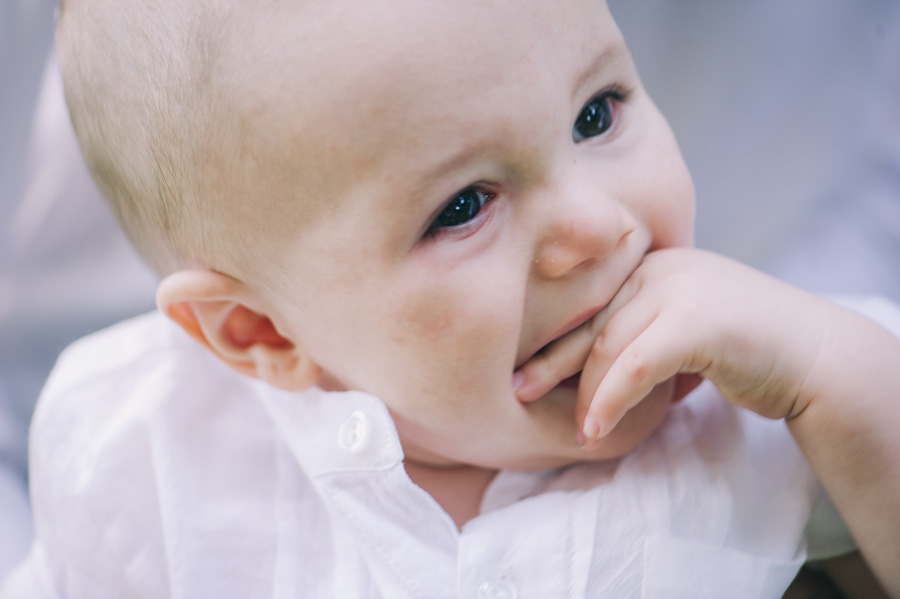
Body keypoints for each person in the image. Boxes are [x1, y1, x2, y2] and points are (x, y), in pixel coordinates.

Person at [3, 0, 900, 597]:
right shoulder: (152, 450)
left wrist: (828, 373)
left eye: (598, 112)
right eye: (464, 206)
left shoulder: (755, 404)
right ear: (259, 329)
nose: (595, 223)